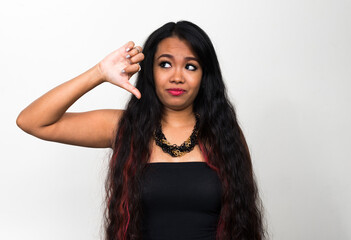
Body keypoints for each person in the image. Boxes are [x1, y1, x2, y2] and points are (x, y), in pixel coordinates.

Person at [17, 21, 266, 240]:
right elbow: (32, 121)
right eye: (165, 64)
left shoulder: (224, 135)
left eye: (191, 66)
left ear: (205, 76)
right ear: (150, 72)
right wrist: (99, 73)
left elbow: (241, 222)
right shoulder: (123, 127)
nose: (177, 76)